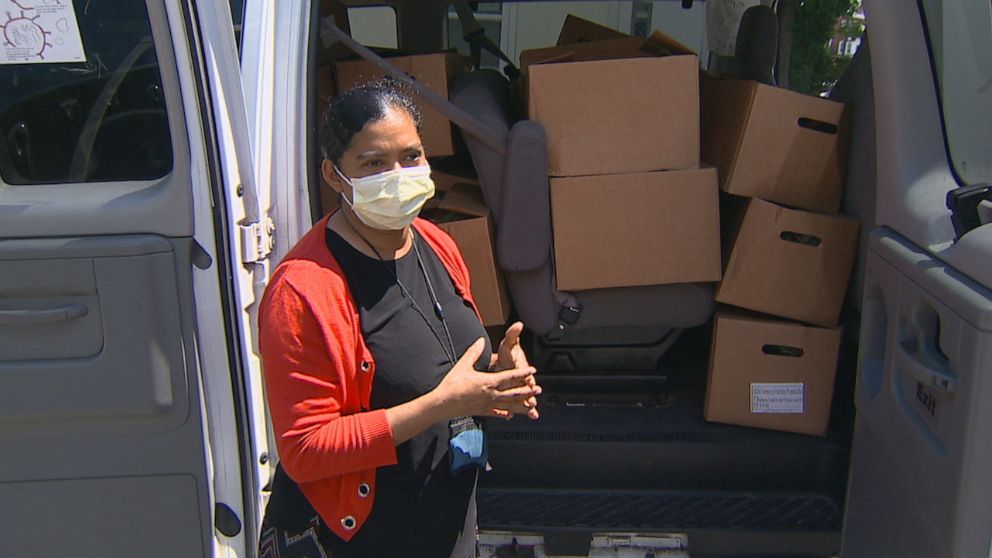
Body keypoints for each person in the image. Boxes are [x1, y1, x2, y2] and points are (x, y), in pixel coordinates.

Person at [256, 78, 541, 558]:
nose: (399, 174)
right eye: (373, 163)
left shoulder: (435, 242)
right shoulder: (302, 290)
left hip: (445, 526)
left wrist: (495, 384)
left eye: (411, 157)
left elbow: (443, 374)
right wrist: (441, 405)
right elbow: (305, 450)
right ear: (333, 175)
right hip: (361, 539)